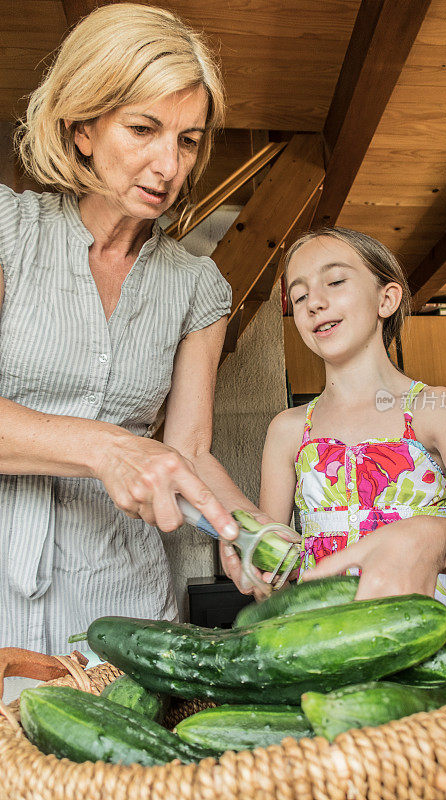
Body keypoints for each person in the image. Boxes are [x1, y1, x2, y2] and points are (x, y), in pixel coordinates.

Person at [0, 3, 266, 655]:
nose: (167, 164)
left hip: (121, 595)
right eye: (143, 128)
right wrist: (105, 447)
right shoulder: (8, 234)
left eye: (187, 139)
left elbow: (191, 450)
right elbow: (127, 451)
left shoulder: (198, 287)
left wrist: (248, 533)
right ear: (83, 128)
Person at [260, 227, 446, 615]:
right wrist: (257, 562)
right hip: (323, 649)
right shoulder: (286, 430)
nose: (313, 303)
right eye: (299, 295)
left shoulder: (436, 408)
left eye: (335, 281)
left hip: (429, 644)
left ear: (386, 299)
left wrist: (435, 539)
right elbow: (271, 569)